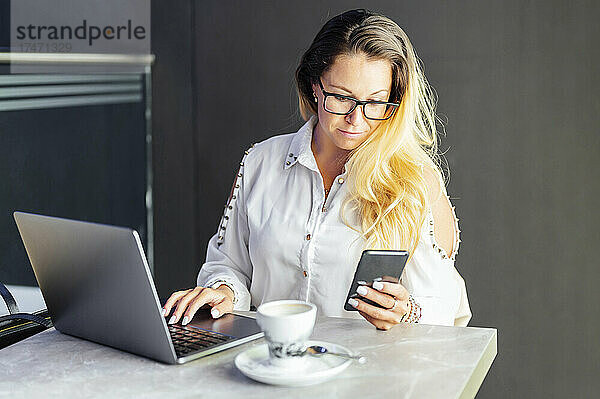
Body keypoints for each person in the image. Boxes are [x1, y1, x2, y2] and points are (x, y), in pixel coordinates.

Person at [162, 8, 471, 330]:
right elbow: (229, 265)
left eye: (376, 102)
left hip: (369, 372)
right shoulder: (261, 161)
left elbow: (444, 302)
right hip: (273, 365)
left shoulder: (416, 180)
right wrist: (223, 291)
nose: (357, 119)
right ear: (314, 86)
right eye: (341, 97)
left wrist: (406, 311)